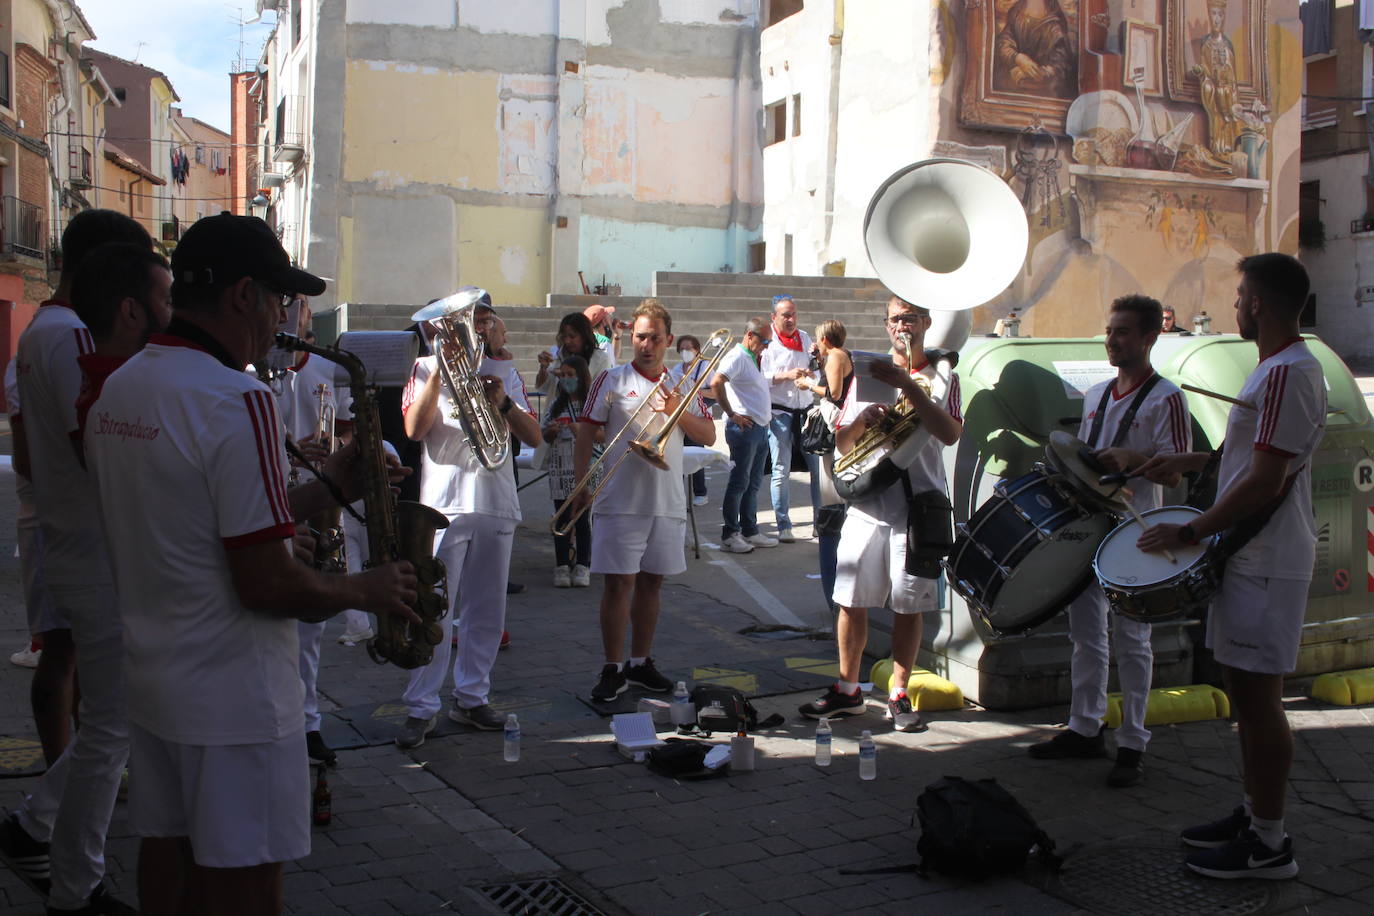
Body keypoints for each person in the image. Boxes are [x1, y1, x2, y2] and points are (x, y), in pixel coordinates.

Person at [83, 212, 418, 916]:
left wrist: (326, 487)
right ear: (243, 296)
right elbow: (266, 583)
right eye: (279, 299)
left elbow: (193, 517)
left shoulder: (124, 387)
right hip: (236, 698)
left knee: (165, 851)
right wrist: (366, 588)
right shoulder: (239, 398)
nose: (284, 317)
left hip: (158, 678)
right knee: (248, 881)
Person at [1137, 253, 1323, 880]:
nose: (1236, 304)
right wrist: (1187, 465)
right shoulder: (1274, 369)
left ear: (1260, 305)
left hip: (1267, 558)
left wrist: (1189, 529)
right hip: (1251, 555)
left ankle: (1269, 844)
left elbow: (1267, 480)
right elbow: (1246, 457)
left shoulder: (1288, 373)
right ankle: (1254, 813)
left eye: (1242, 295)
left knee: (1262, 701)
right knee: (1245, 694)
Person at [1, 211, 155, 916]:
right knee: (113, 725)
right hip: (90, 549)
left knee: (110, 722)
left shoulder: (45, 333)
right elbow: (92, 444)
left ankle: (38, 830)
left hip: (77, 543)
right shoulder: (66, 339)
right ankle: (72, 876)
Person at [1026, 294, 1191, 787]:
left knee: (1133, 639)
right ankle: (1084, 727)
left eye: (1122, 332)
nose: (1111, 340)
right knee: (1085, 635)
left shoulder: (1167, 398)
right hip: (1091, 527)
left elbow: (1180, 473)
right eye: (1110, 330)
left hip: (1136, 533)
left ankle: (1133, 742)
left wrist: (1132, 458)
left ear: (1149, 338)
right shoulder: (1096, 393)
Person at [799, 296, 962, 733]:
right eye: (893, 320)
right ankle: (847, 690)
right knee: (849, 600)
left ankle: (899, 692)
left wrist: (909, 388)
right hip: (868, 504)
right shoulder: (864, 372)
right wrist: (862, 422)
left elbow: (948, 433)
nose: (900, 327)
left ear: (926, 321)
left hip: (916, 506)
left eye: (908, 318)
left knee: (909, 604)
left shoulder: (942, 377)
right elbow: (845, 444)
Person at [394, 295, 541, 747]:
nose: (474, 330)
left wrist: (505, 406)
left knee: (487, 609)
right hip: (443, 504)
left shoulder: (505, 373)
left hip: (495, 501)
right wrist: (439, 373)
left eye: (481, 321)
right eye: (466, 323)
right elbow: (413, 430)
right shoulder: (420, 369)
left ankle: (472, 697)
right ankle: (421, 706)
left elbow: (534, 437)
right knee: (433, 607)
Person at [574, 299, 717, 701]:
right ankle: (612, 666)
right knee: (619, 585)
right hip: (620, 499)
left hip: (666, 499)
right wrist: (581, 482)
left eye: (654, 337)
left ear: (668, 340)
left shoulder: (683, 383)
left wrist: (677, 409)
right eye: (640, 337)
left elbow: (707, 435)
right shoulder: (611, 379)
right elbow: (586, 431)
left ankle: (640, 662)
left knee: (652, 584)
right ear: (631, 337)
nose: (646, 345)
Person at [795, 320, 853, 610]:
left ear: (825, 339)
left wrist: (808, 384)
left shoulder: (835, 356)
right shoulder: (838, 356)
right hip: (841, 431)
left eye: (817, 340)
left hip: (835, 433)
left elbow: (834, 393)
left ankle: (834, 596)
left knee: (831, 499)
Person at [711, 317, 778, 554]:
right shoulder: (737, 356)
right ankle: (730, 534)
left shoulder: (751, 357)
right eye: (764, 340)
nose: (767, 345)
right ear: (750, 335)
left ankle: (750, 530)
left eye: (769, 341)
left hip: (758, 427)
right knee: (740, 482)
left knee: (753, 482)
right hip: (744, 429)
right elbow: (716, 382)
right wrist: (732, 413)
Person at [760, 295, 819, 543]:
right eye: (785, 315)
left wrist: (810, 376)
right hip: (779, 413)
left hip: (805, 412)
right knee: (781, 470)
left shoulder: (804, 338)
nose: (790, 319)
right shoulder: (768, 344)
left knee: (817, 471)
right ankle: (784, 524)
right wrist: (785, 375)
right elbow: (761, 377)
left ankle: (819, 523)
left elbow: (816, 371)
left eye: (793, 314)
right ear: (774, 317)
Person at [544, 355, 597, 588]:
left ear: (581, 376)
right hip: (559, 468)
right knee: (561, 518)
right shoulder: (556, 405)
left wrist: (581, 430)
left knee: (582, 519)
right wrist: (552, 431)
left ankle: (583, 565)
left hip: (585, 469)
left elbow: (604, 434)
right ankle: (562, 565)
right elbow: (543, 434)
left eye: (570, 375)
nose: (565, 379)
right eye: (562, 375)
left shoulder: (592, 404)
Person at [669, 335, 710, 506]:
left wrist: (695, 390)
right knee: (679, 455)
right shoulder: (677, 369)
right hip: (680, 416)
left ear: (697, 350)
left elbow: (715, 392)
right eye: (683, 349)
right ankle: (678, 493)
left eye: (689, 349)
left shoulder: (705, 367)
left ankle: (700, 492)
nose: (686, 352)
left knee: (695, 451)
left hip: (698, 415)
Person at [535, 312, 612, 399]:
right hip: (556, 411)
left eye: (572, 336)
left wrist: (568, 377)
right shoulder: (559, 356)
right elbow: (543, 388)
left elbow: (600, 393)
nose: (567, 341)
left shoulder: (600, 359)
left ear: (584, 336)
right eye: (564, 336)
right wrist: (543, 368)